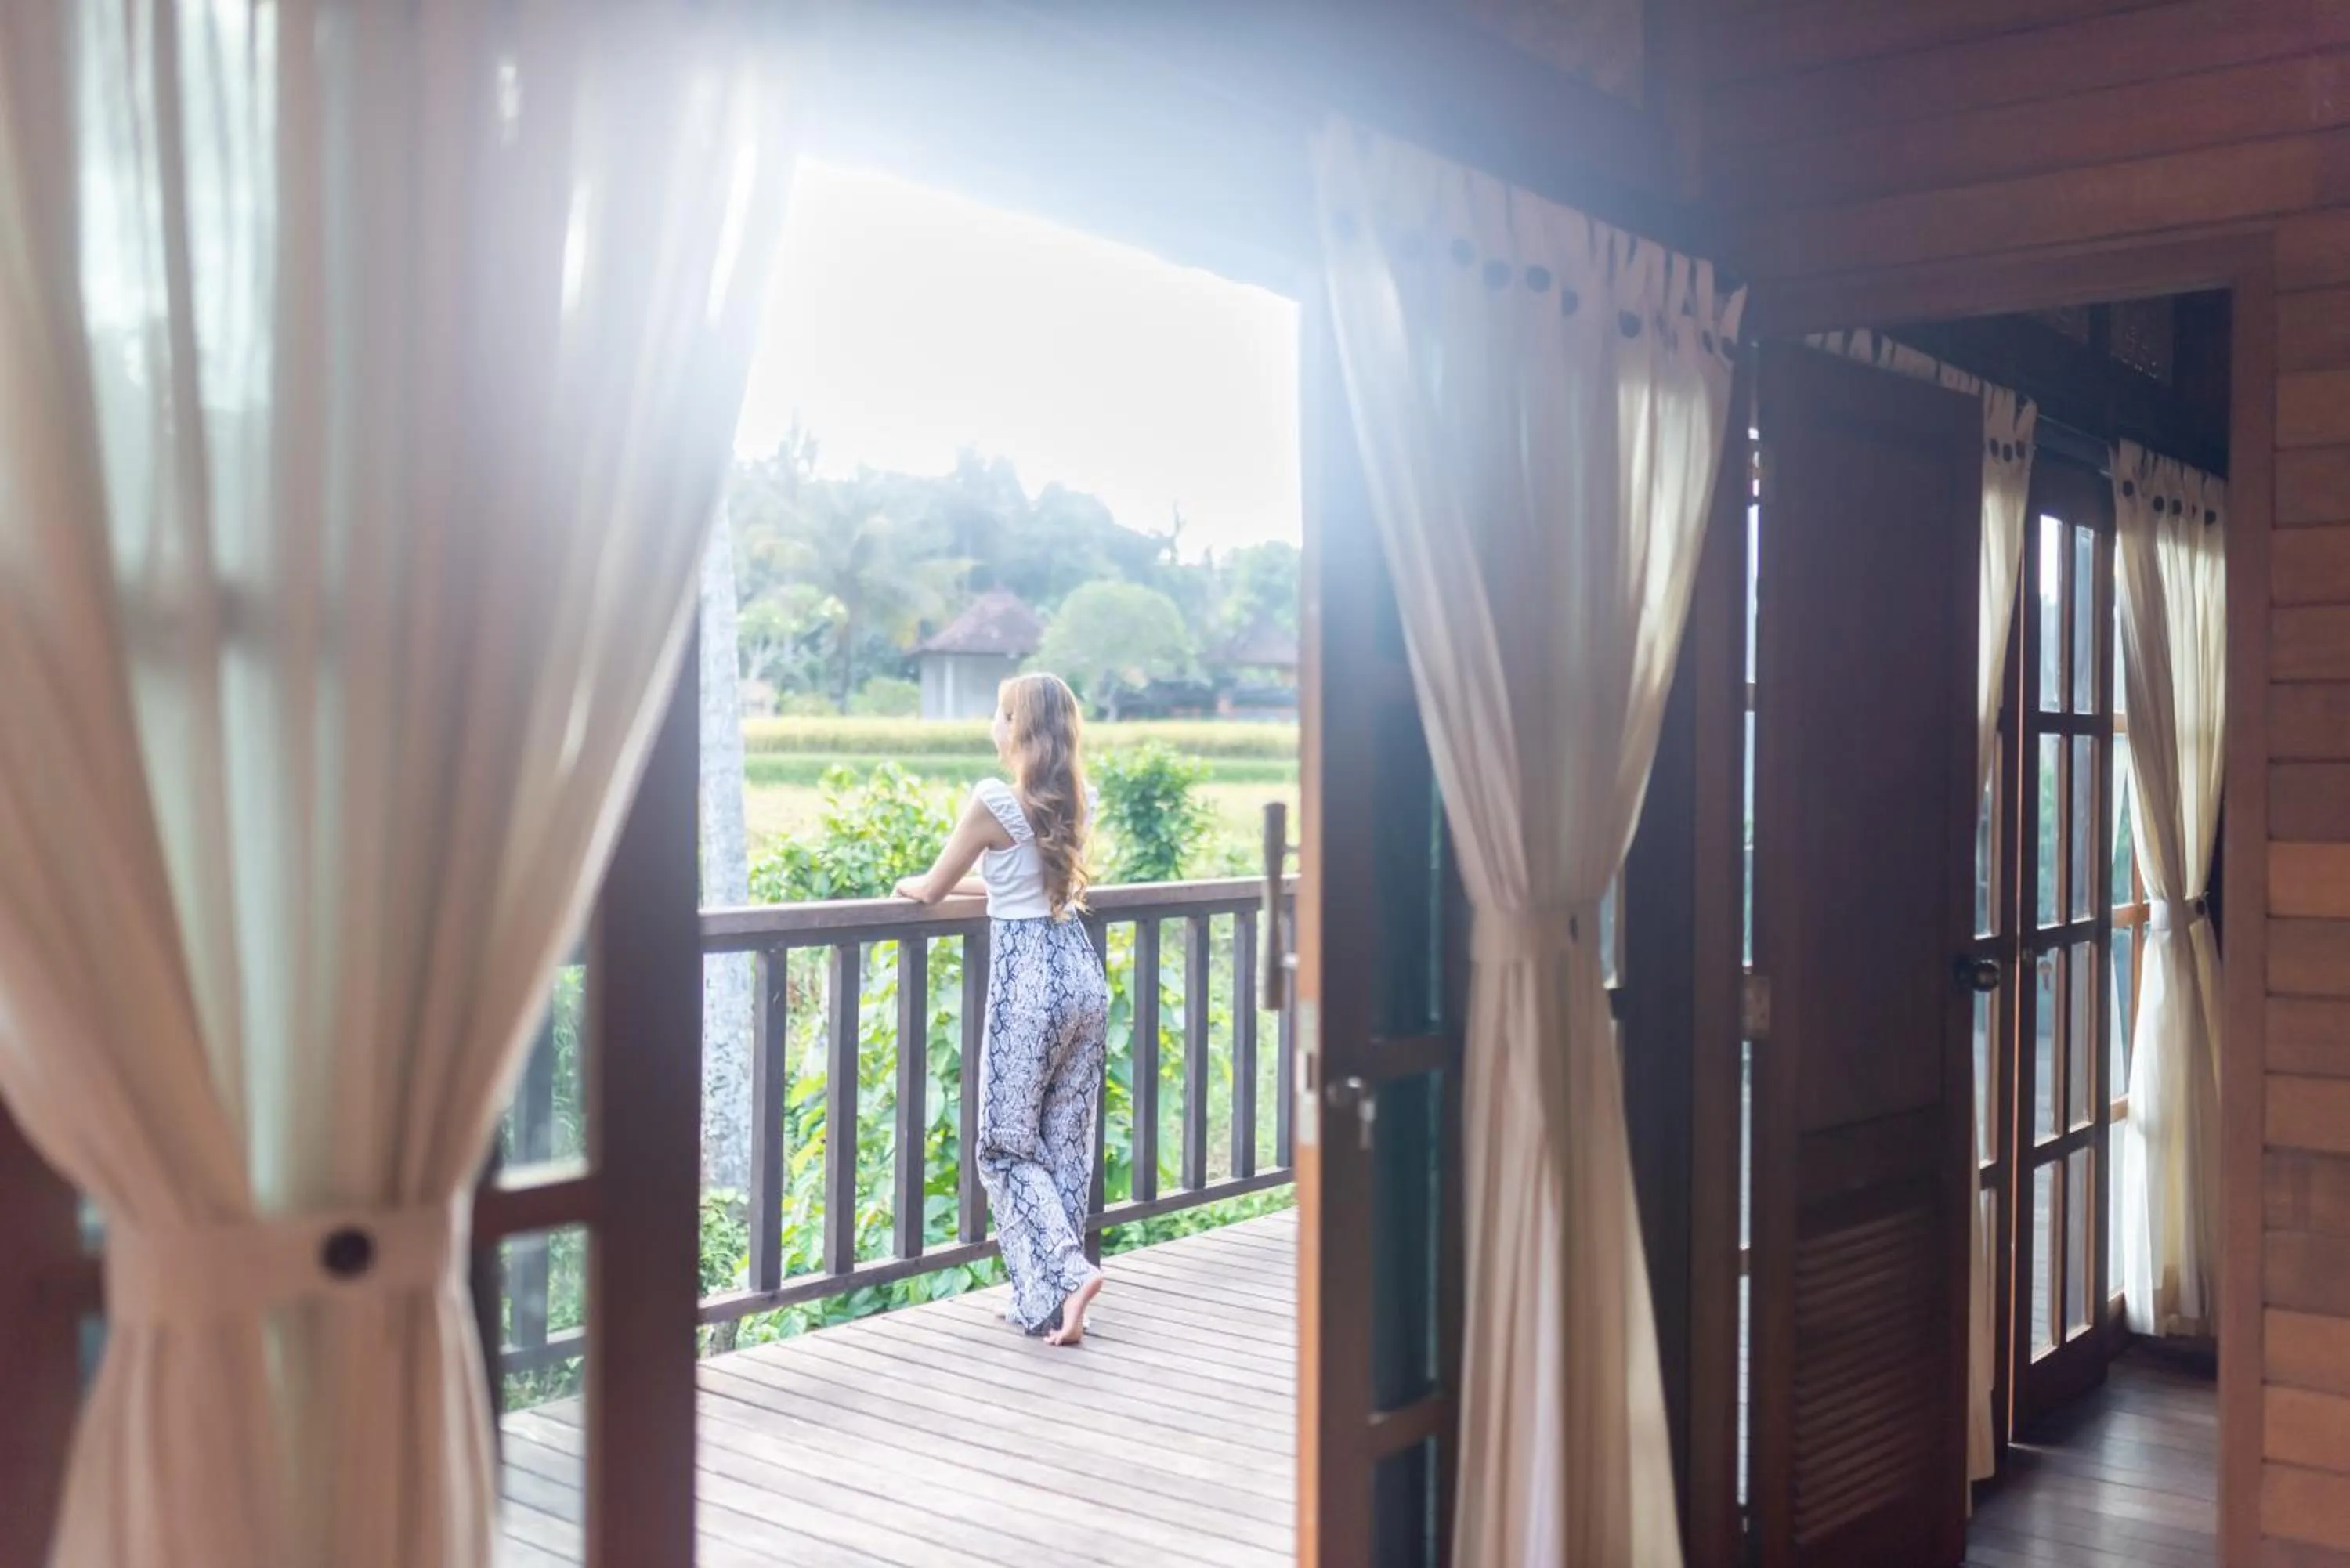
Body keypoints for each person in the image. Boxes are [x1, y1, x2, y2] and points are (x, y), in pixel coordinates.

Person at [894, 672, 1108, 1346]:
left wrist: (912, 886)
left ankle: (1068, 1276)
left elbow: (933, 887)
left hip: (1028, 984)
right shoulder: (1078, 802)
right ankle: (1045, 1301)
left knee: (1005, 1148)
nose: (994, 722)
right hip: (1080, 972)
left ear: (1018, 728)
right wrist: (972, 893)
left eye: (1000, 711)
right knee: (1065, 1144)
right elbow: (1007, 888)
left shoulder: (993, 801)